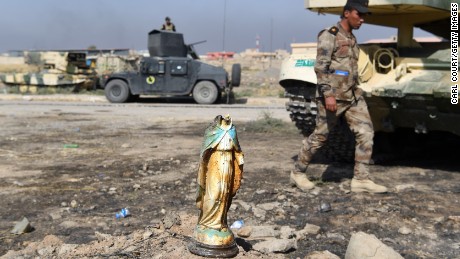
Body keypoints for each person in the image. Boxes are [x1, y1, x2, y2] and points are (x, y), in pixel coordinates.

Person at [290, 0, 388, 193]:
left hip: (352, 96)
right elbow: (321, 67)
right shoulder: (330, 35)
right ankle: (297, 172)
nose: (362, 19)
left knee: (366, 132)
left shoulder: (351, 38)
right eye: (358, 14)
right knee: (320, 136)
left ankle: (361, 179)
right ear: (346, 13)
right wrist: (328, 95)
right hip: (333, 96)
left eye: (364, 15)